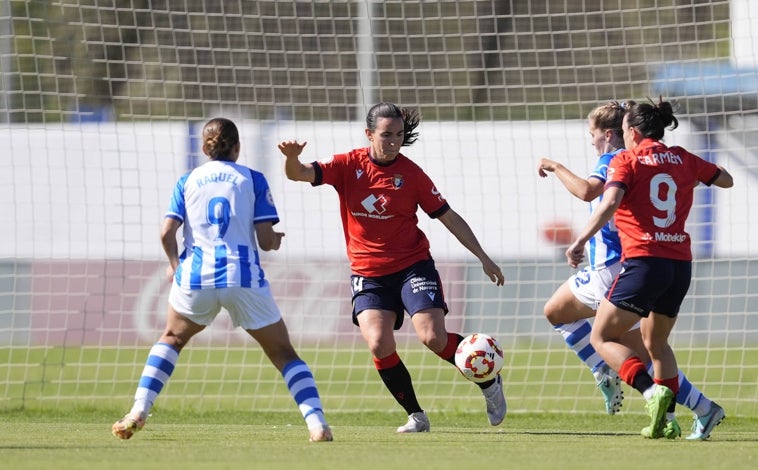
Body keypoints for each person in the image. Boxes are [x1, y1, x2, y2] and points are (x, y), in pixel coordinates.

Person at [277, 102, 506, 433]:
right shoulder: (346, 165)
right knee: (379, 344)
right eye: (387, 135)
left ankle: (489, 381)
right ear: (369, 134)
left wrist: (484, 257)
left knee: (431, 337)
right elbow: (299, 174)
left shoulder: (411, 175)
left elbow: (449, 217)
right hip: (368, 274)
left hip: (413, 266)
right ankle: (416, 415)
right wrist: (291, 159)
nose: (394, 141)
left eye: (399, 135)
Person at [112, 117, 333, 443]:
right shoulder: (252, 179)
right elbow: (265, 239)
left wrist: (176, 266)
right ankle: (317, 425)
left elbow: (166, 232)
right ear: (238, 148)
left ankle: (139, 410)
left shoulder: (186, 181)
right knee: (284, 354)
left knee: (172, 338)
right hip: (241, 276)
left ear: (204, 148)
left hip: (196, 277)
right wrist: (276, 240)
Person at [539, 101, 725, 440]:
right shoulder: (673, 158)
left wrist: (554, 166)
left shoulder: (618, 159)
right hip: (666, 263)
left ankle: (632, 384)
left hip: (618, 266)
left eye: (593, 135)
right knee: (649, 347)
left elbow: (590, 193)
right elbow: (716, 178)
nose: (591, 141)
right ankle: (698, 409)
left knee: (603, 339)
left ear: (615, 134)